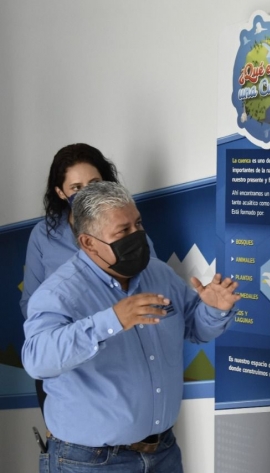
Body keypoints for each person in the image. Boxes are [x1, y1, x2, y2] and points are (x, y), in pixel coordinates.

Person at [22, 181, 240, 473]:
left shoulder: (159, 273)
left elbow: (196, 329)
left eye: (138, 224)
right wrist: (110, 321)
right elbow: (37, 360)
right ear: (88, 242)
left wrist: (214, 309)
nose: (137, 236)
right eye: (123, 231)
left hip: (163, 453)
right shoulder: (59, 293)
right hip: (90, 462)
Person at [20, 143, 157, 413]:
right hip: (71, 362)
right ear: (60, 192)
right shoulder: (43, 235)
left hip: (128, 357)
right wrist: (88, 327)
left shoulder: (129, 229)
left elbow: (152, 284)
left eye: (94, 183)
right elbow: (31, 303)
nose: (87, 193)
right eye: (76, 187)